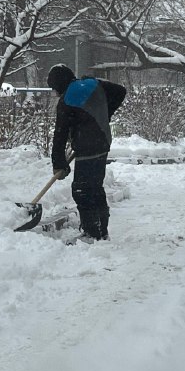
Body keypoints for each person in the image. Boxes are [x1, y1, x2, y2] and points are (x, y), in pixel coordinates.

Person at [47, 64, 126, 241]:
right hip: (103, 143)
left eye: (54, 88)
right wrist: (104, 115)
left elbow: (59, 135)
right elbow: (121, 91)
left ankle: (92, 233)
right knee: (95, 187)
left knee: (81, 190)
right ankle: (101, 230)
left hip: (87, 148)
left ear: (59, 84)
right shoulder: (93, 84)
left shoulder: (67, 99)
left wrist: (58, 164)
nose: (55, 92)